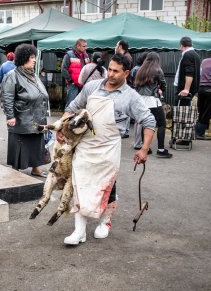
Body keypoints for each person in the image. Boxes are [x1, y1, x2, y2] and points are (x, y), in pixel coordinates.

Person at [57, 54, 156, 245]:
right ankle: (79, 231)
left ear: (126, 73)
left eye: (115, 71)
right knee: (80, 185)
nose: (110, 74)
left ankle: (105, 221)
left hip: (109, 147)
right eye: (109, 69)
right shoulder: (92, 87)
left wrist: (144, 149)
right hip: (85, 144)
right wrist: (63, 125)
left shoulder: (131, 97)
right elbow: (73, 106)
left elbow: (149, 121)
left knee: (107, 186)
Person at [1, 44, 49, 177]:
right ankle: (15, 168)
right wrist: (10, 116)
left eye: (35, 57)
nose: (34, 60)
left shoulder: (34, 75)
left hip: (37, 116)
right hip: (22, 117)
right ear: (24, 58)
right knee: (19, 142)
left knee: (36, 142)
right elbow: (7, 97)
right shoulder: (12, 76)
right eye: (32, 57)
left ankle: (36, 168)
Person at [134, 52, 172, 158]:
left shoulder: (139, 70)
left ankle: (146, 148)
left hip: (141, 100)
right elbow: (163, 85)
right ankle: (160, 149)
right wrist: (160, 89)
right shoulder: (157, 70)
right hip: (152, 100)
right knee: (161, 124)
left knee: (144, 123)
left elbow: (135, 86)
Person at [61, 38, 89, 107]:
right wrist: (70, 80)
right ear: (78, 46)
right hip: (73, 84)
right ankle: (67, 117)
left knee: (82, 105)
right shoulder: (69, 54)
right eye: (84, 46)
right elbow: (63, 69)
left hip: (83, 84)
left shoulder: (86, 55)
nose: (85, 48)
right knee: (71, 105)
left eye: (86, 46)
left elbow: (88, 68)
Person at [130, 51, 149, 150]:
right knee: (139, 121)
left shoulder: (135, 69)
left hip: (135, 95)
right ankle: (138, 143)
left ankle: (137, 142)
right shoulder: (140, 70)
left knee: (138, 121)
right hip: (139, 96)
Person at [115, 40, 134, 138]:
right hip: (125, 84)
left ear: (120, 46)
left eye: (116, 45)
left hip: (125, 84)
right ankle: (124, 130)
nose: (115, 47)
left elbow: (124, 72)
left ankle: (124, 130)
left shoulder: (126, 57)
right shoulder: (126, 56)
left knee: (124, 107)